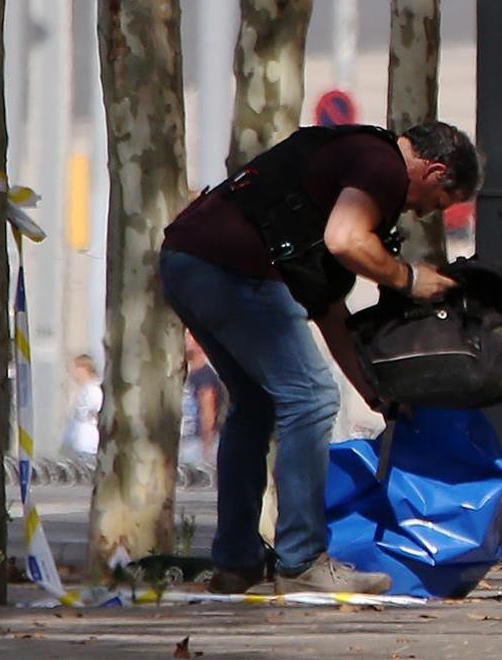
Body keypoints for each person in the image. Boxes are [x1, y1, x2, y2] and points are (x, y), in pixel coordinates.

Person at [159, 121, 480, 595]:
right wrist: (409, 279)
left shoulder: (346, 165)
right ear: (434, 171)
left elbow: (330, 312)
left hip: (186, 261)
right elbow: (346, 240)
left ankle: (238, 561)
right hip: (232, 269)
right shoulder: (382, 165)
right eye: (435, 203)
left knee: (256, 404)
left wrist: (377, 396)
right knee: (311, 399)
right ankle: (302, 559)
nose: (420, 213)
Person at [179, 331, 225, 466]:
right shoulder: (186, 374)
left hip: (197, 443)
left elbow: (208, 412)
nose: (186, 340)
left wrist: (207, 445)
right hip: (185, 440)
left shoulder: (205, 377)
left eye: (191, 337)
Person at [60, 354, 102, 458]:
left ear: (83, 369)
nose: (73, 373)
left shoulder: (93, 390)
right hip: (76, 444)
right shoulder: (84, 389)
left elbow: (86, 414)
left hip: (85, 444)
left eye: (75, 369)